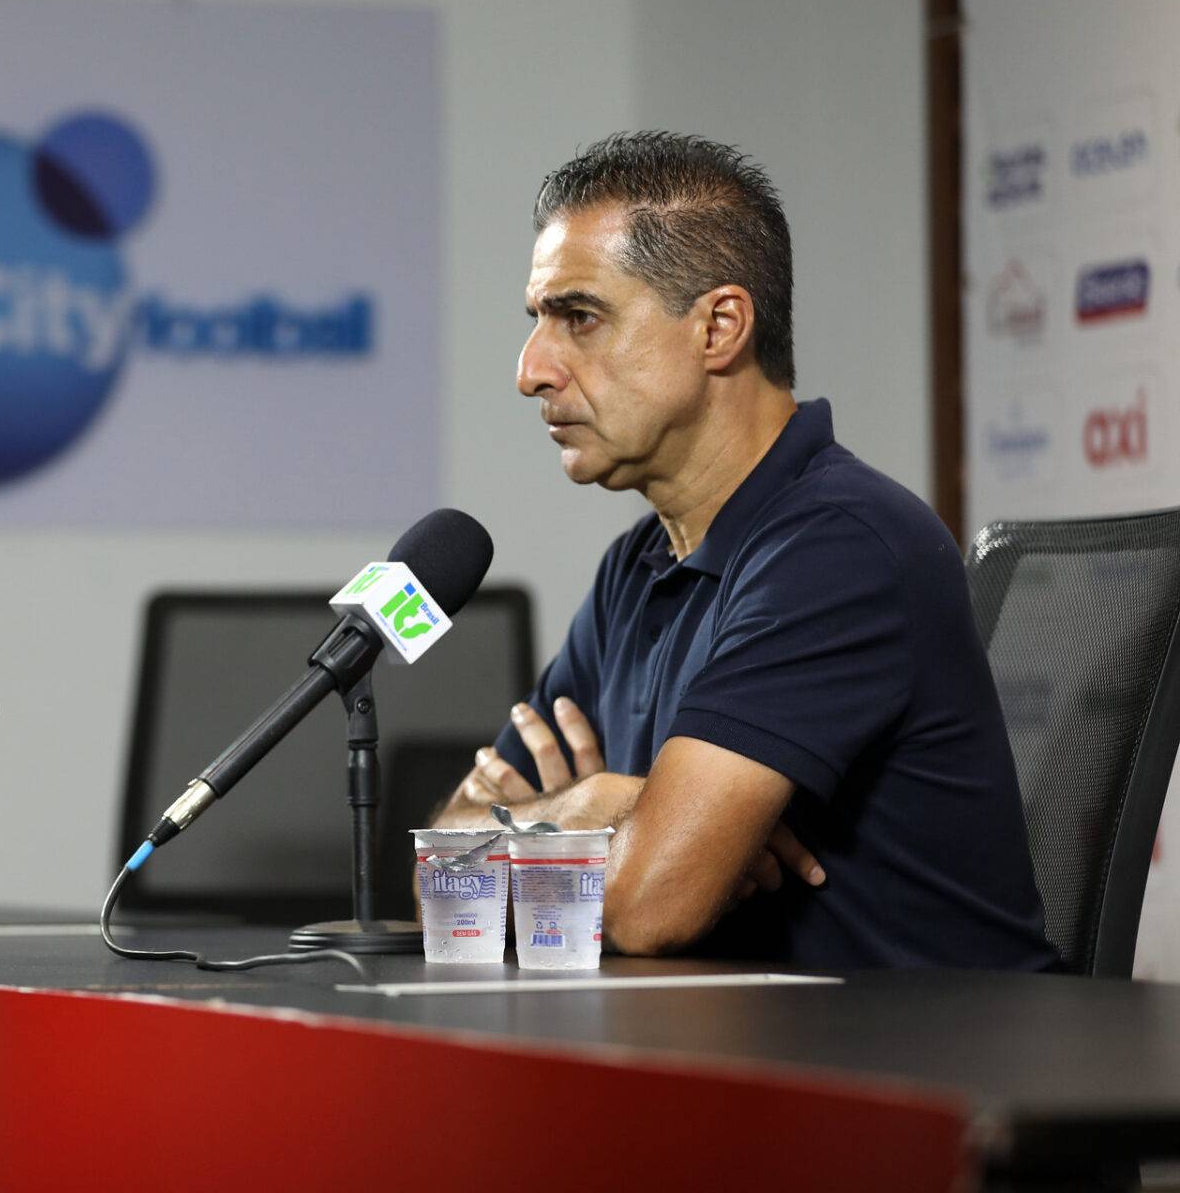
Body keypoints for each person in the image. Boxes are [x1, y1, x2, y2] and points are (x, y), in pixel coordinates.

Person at [432, 131, 1055, 970]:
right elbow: (441, 879)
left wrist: (575, 816)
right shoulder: (638, 567)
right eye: (538, 321)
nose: (532, 370)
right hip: (738, 1051)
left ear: (720, 326)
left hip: (913, 1069)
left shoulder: (841, 546)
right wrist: (601, 807)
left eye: (579, 318)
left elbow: (650, 905)